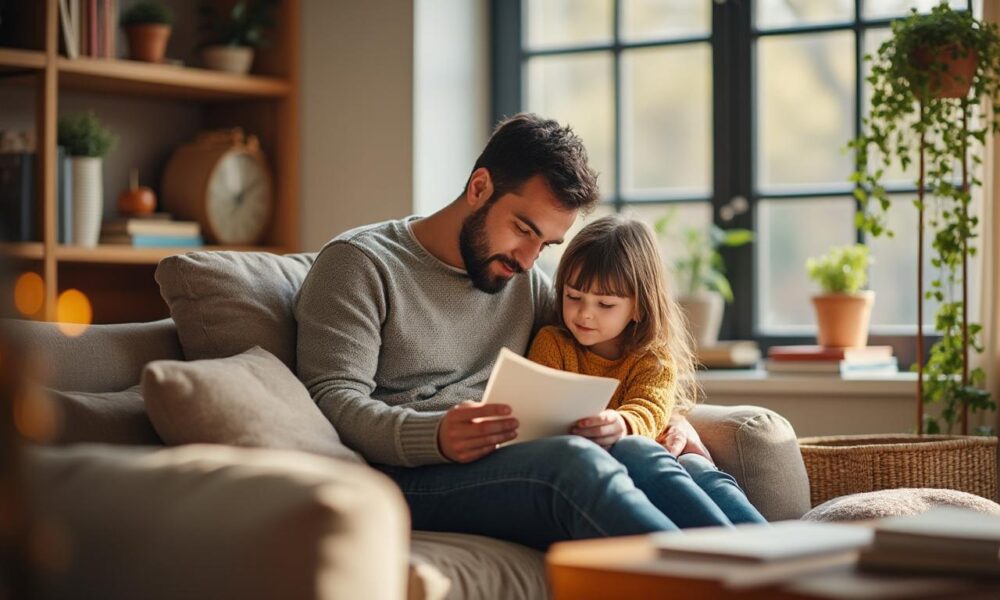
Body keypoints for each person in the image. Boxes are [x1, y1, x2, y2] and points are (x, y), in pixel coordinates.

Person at [294, 113, 743, 550]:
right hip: (405, 473)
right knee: (576, 465)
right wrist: (432, 435)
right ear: (479, 187)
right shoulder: (359, 264)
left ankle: (783, 571)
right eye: (523, 229)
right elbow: (332, 399)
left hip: (507, 455)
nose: (529, 259)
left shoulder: (523, 282)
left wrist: (667, 417)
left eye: (545, 244)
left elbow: (610, 346)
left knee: (655, 458)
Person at [527, 215, 766, 527]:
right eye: (573, 297)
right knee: (636, 449)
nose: (584, 313)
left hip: (655, 467)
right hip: (604, 475)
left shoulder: (652, 357)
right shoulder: (553, 345)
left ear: (638, 306)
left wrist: (622, 422)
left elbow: (650, 406)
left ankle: (771, 549)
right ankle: (744, 554)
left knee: (697, 467)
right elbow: (537, 409)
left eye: (605, 304)